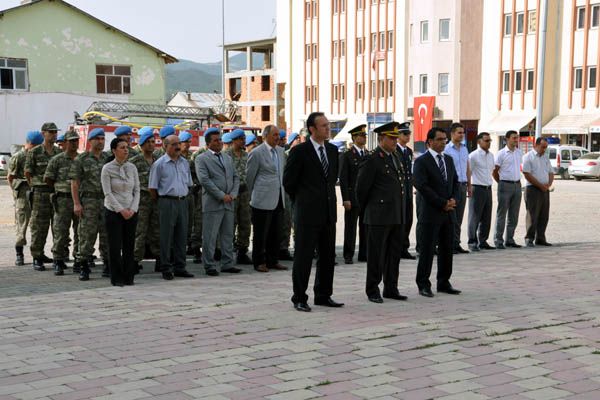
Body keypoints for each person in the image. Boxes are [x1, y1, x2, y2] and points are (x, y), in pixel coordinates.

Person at [283, 111, 343, 312]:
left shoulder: (333, 151)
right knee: (304, 257)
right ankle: (299, 297)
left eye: (328, 125)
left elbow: (331, 180)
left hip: (328, 213)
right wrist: (302, 201)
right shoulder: (300, 151)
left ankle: (323, 294)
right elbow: (289, 182)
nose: (328, 129)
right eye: (324, 126)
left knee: (327, 256)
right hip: (307, 213)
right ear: (312, 129)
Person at [356, 122, 407, 303]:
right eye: (391, 138)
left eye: (395, 138)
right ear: (381, 139)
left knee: (394, 254)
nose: (395, 141)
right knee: (376, 255)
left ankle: (391, 287)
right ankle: (372, 289)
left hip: (396, 214)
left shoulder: (396, 157)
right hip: (378, 215)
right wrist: (369, 210)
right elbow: (361, 189)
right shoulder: (372, 159)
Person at [413, 127, 462, 298]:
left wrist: (454, 200)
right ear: (430, 142)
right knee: (427, 249)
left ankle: (444, 282)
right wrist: (442, 203)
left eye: (445, 140)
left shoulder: (448, 159)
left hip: (448, 213)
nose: (443, 142)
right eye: (440, 139)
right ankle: (423, 283)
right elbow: (422, 186)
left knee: (447, 249)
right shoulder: (422, 161)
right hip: (431, 212)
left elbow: (455, 182)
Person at [195, 128, 241, 275]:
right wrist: (222, 195)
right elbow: (205, 181)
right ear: (208, 144)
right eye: (216, 140)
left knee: (228, 235)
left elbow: (235, 177)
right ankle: (209, 265)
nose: (219, 142)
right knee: (210, 235)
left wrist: (233, 194)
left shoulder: (227, 158)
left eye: (220, 140)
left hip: (229, 202)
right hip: (213, 203)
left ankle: (227, 263)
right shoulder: (201, 159)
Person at [149, 134, 195, 280]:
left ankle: (180, 267)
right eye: (173, 144)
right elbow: (152, 188)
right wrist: (162, 202)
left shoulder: (184, 162)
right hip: (167, 201)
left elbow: (188, 183)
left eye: (178, 144)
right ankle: (166, 267)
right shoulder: (159, 164)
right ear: (165, 146)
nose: (177, 147)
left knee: (182, 235)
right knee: (166, 236)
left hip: (183, 201)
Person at [246, 124, 287, 273]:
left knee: (276, 232)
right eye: (274, 135)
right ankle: (259, 261)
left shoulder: (281, 152)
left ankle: (273, 260)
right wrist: (252, 195)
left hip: (278, 197)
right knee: (261, 233)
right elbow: (249, 177)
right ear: (265, 136)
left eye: (278, 135)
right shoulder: (257, 153)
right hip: (262, 198)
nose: (278, 138)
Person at [70, 128, 110, 280]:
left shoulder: (108, 158)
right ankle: (84, 265)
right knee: (87, 234)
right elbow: (74, 183)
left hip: (106, 200)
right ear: (90, 141)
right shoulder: (82, 159)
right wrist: (76, 203)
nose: (100, 141)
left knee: (107, 233)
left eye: (102, 138)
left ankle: (107, 263)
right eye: (97, 138)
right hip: (89, 201)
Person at [101, 138, 140, 286]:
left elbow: (137, 190)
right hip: (113, 211)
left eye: (127, 147)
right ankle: (116, 278)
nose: (126, 150)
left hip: (131, 211)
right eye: (122, 147)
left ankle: (129, 277)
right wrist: (121, 210)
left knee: (130, 246)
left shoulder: (132, 168)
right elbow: (108, 193)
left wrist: (133, 209)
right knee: (115, 246)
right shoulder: (107, 168)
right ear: (114, 151)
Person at [25, 122, 62, 271]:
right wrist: (35, 185)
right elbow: (28, 172)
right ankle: (37, 256)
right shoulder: (34, 152)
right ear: (43, 133)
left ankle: (58, 256)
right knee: (39, 226)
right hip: (40, 193)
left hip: (55, 192)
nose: (54, 134)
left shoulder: (59, 153)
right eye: (51, 132)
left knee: (58, 226)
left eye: (55, 132)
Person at [44, 130, 80, 275]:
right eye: (71, 141)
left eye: (76, 141)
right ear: (65, 142)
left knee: (80, 231)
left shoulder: (82, 158)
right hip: (63, 199)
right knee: (61, 231)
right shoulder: (57, 160)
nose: (74, 144)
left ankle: (79, 259)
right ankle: (58, 260)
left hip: (78, 199)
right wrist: (60, 188)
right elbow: (48, 178)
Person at [8, 130, 43, 266]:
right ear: (31, 144)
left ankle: (37, 253)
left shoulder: (38, 155)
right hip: (22, 192)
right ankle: (19, 253)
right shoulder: (19, 156)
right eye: (36, 145)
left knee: (37, 225)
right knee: (21, 225)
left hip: (36, 192)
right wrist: (15, 194)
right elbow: (10, 177)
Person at [130, 127, 160, 272]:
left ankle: (159, 259)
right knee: (139, 231)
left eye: (153, 142)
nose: (151, 144)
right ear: (141, 145)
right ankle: (135, 260)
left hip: (156, 200)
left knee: (156, 230)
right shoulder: (134, 161)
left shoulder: (158, 161)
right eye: (147, 142)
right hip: (141, 201)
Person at [339, 124, 369, 265]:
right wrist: (346, 199)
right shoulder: (347, 155)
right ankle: (348, 254)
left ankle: (364, 253)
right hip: (352, 197)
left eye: (364, 136)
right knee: (350, 228)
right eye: (361, 136)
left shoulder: (368, 154)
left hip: (366, 198)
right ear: (354, 137)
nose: (364, 138)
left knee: (366, 227)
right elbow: (344, 179)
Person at [224, 129, 253, 265]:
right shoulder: (225, 155)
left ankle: (242, 251)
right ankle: (227, 251)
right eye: (241, 139)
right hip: (231, 194)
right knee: (230, 222)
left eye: (244, 139)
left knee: (245, 223)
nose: (243, 141)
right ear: (234, 140)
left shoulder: (247, 156)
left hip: (245, 193)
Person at [444, 123, 471, 254]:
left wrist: (469, 185)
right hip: (452, 187)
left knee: (459, 218)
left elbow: (467, 168)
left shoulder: (465, 149)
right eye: (459, 132)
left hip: (463, 185)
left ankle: (456, 243)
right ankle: (448, 244)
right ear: (452, 133)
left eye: (463, 132)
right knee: (451, 218)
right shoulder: (446, 149)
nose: (461, 135)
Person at [493, 130, 523, 249]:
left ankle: (510, 239)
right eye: (514, 138)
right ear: (507, 139)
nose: (516, 140)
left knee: (514, 215)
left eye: (517, 138)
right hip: (505, 185)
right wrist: (501, 183)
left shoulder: (519, 152)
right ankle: (498, 240)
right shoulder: (501, 154)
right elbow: (495, 171)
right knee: (502, 214)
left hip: (517, 185)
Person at [522, 137, 553, 247]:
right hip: (533, 189)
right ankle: (529, 238)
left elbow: (550, 172)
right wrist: (540, 186)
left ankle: (540, 238)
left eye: (546, 147)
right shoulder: (528, 157)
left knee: (544, 215)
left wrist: (548, 184)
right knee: (532, 214)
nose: (544, 149)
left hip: (545, 189)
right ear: (536, 145)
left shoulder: (545, 157)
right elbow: (527, 174)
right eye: (542, 147)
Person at [467, 132, 496, 252]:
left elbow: (491, 171)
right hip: (477, 188)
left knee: (486, 216)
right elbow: (469, 172)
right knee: (474, 216)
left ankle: (483, 241)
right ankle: (472, 241)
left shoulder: (491, 156)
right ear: (479, 142)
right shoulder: (473, 156)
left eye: (490, 141)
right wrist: (469, 187)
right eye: (486, 140)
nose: (489, 143)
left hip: (488, 188)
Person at [396, 123, 417, 260]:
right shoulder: (394, 151)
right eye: (405, 134)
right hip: (398, 193)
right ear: (398, 136)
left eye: (409, 134)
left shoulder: (408, 151)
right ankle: (397, 248)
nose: (408, 136)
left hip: (408, 192)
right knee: (399, 222)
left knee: (408, 220)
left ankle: (404, 247)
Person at [279, 132, 300, 260]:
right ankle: (283, 248)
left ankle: (299, 247)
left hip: (298, 193)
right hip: (286, 193)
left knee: (297, 222)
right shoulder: (285, 155)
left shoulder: (302, 154)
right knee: (286, 221)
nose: (299, 140)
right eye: (296, 139)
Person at [179, 131, 197, 254]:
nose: (188, 144)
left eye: (189, 142)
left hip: (191, 192)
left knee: (191, 219)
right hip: (179, 194)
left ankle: (189, 244)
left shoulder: (192, 156)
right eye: (185, 142)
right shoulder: (176, 156)